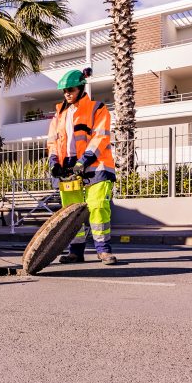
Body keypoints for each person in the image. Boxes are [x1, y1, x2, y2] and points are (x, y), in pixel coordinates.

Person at [46, 68, 118, 265]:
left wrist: (84, 161)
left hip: (97, 164)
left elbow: (100, 136)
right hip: (68, 166)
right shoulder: (59, 113)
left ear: (81, 88)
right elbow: (52, 141)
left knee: (97, 206)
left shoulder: (97, 108)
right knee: (71, 211)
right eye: (65, 91)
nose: (67, 94)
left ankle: (103, 250)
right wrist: (54, 163)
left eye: (71, 89)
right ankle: (76, 252)